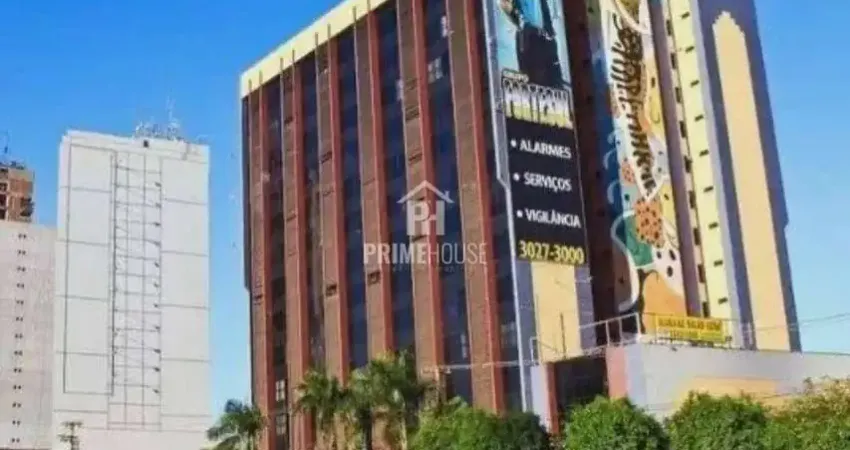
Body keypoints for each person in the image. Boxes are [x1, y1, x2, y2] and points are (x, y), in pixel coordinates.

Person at [498, 0, 564, 87]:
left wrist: (550, 35)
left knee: (555, 83)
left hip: (546, 39)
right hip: (529, 37)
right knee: (535, 84)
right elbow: (504, 3)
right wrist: (522, 24)